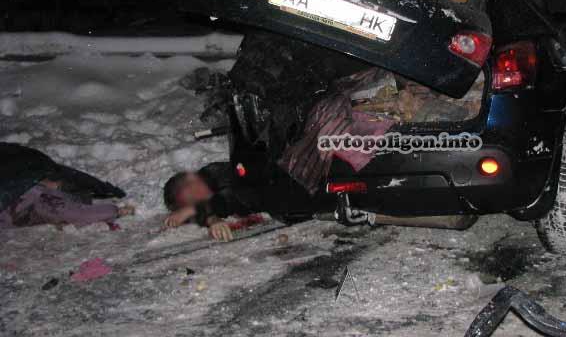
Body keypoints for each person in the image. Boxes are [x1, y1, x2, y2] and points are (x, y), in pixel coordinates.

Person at [162, 162, 326, 241]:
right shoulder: (213, 197)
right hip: (304, 194)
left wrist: (207, 216)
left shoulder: (214, 174)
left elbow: (231, 193)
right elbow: (224, 202)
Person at [0, 143, 132, 230]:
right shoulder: (41, 198)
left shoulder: (33, 169)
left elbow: (75, 178)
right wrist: (118, 210)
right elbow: (80, 214)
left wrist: (109, 191)